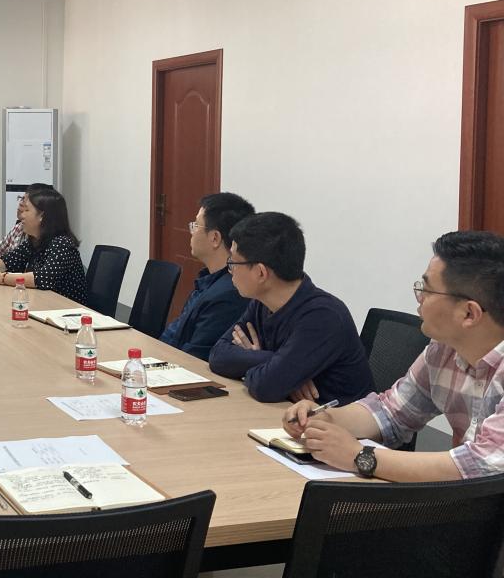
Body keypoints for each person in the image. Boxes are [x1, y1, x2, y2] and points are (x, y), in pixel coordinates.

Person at [284, 230, 504, 481]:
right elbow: (392, 412)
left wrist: (359, 456)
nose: (419, 298)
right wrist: (327, 418)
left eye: (427, 290)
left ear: (469, 314)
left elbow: (483, 464)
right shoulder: (443, 351)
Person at [208, 212, 373, 404]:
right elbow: (218, 356)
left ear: (260, 273)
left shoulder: (323, 316)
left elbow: (266, 388)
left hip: (335, 420)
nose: (230, 270)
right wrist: (271, 361)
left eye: (233, 263)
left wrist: (267, 368)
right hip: (286, 413)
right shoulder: (261, 303)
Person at [160, 192, 256, 360]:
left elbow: (194, 358)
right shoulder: (208, 280)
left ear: (215, 238)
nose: (191, 232)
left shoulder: (229, 294)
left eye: (196, 226)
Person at [0, 187, 87, 304]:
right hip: (44, 304)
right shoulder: (34, 240)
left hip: (67, 309)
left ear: (42, 216)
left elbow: (43, 278)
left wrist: (2, 278)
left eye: (27, 210)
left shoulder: (62, 244)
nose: (22, 215)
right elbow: (8, 261)